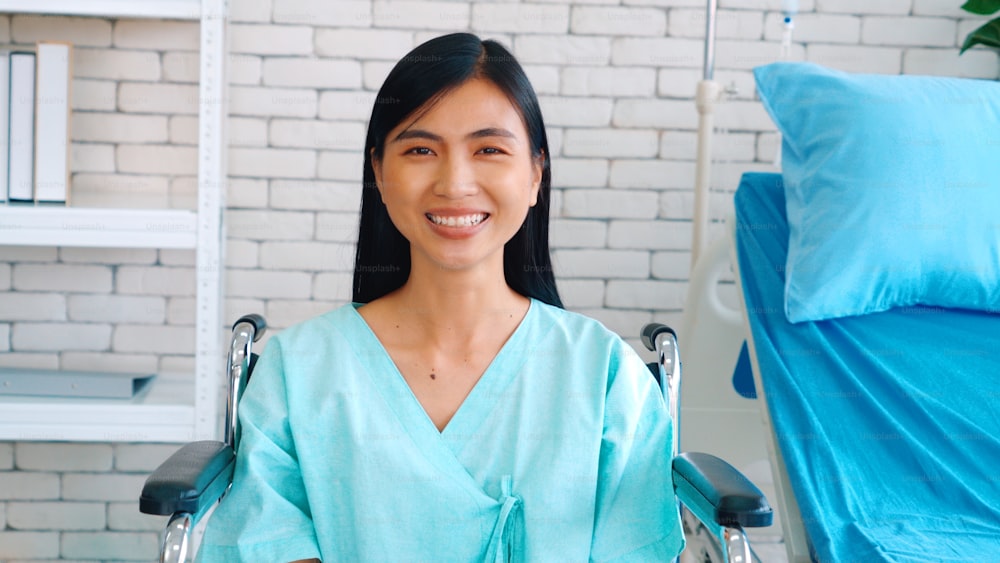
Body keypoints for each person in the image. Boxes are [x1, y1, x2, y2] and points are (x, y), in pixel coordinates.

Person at [196, 32, 684, 562]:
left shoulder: (605, 374)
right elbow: (268, 542)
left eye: (489, 149)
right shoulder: (300, 370)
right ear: (379, 173)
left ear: (535, 174)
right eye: (421, 150)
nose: (455, 183)